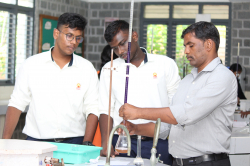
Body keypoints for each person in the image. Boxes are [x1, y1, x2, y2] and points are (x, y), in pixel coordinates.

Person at [119, 22, 237, 166]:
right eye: (185, 46)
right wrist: (136, 128)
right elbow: (168, 127)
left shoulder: (221, 76)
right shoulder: (187, 80)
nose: (186, 51)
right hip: (179, 162)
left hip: (207, 162)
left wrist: (138, 112)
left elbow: (186, 114)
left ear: (208, 45)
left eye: (191, 45)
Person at [2, 13, 99, 145]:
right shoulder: (31, 65)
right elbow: (16, 104)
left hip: (75, 142)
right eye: (69, 36)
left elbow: (92, 108)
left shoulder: (87, 69)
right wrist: (4, 142)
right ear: (56, 33)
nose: (73, 42)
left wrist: (87, 142)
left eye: (78, 38)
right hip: (36, 142)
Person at [99, 20, 180, 165]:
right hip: (122, 142)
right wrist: (106, 142)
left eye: (123, 43)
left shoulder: (165, 64)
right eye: (115, 48)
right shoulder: (109, 68)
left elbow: (176, 109)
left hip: (157, 141)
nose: (120, 51)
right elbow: (106, 109)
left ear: (134, 36)